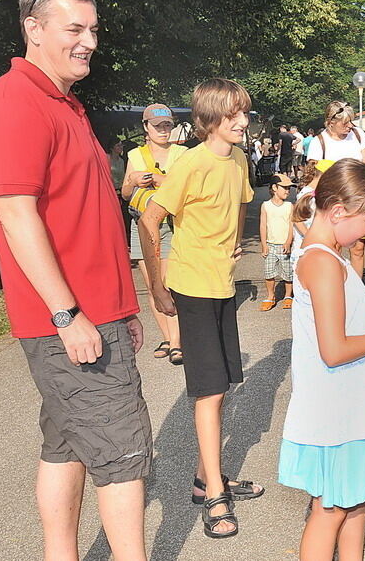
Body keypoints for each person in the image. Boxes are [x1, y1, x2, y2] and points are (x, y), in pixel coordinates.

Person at [0, 0, 150, 560]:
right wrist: (68, 312)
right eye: (74, 28)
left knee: (66, 447)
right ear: (34, 29)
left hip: (95, 314)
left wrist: (123, 308)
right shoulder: (13, 100)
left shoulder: (65, 104)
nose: (89, 41)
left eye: (93, 29)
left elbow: (91, 219)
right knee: (122, 456)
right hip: (71, 319)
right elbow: (14, 214)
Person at [278, 159, 365, 561]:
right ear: (339, 212)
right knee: (332, 510)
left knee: (357, 504)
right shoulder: (323, 261)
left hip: (351, 407)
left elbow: (334, 324)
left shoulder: (329, 254)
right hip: (337, 412)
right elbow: (334, 349)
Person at [139, 78, 264, 539]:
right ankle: (214, 493)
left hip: (222, 286)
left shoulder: (240, 161)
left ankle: (203, 477)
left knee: (223, 385)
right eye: (233, 116)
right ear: (209, 119)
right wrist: (156, 285)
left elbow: (239, 207)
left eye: (244, 115)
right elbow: (150, 219)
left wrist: (233, 248)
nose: (242, 123)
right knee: (208, 392)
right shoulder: (190, 163)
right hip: (190, 286)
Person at [121, 104, 186, 365]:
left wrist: (161, 180)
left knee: (168, 282)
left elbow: (188, 188)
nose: (163, 130)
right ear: (146, 128)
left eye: (167, 125)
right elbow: (125, 194)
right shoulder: (135, 155)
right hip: (142, 225)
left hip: (170, 223)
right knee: (151, 285)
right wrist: (132, 181)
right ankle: (168, 338)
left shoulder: (182, 153)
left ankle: (177, 342)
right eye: (158, 126)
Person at [306, 102, 365, 278]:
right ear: (331, 122)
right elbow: (313, 176)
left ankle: (357, 289)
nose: (350, 126)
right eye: (345, 123)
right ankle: (335, 285)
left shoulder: (357, 135)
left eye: (351, 121)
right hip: (333, 202)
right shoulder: (318, 142)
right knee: (334, 246)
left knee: (358, 248)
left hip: (358, 200)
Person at [260, 174, 295, 311]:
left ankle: (288, 295)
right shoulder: (266, 206)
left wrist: (288, 242)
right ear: (274, 188)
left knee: (287, 272)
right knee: (269, 273)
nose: (287, 191)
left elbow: (292, 225)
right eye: (285, 188)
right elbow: (263, 226)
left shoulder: (289, 206)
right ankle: (270, 295)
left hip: (284, 245)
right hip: (270, 244)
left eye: (289, 188)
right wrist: (264, 244)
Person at [104, 135, 132, 245]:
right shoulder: (107, 158)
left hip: (120, 191)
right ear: (112, 147)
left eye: (122, 145)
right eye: (118, 145)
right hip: (110, 191)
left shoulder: (121, 161)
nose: (121, 147)